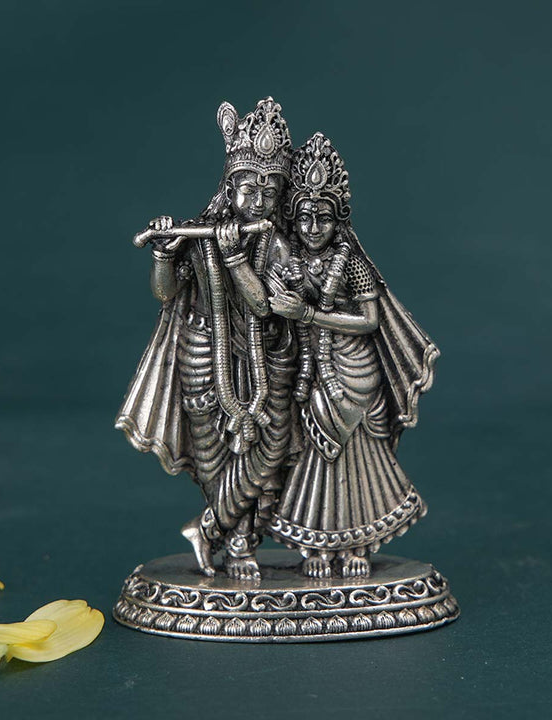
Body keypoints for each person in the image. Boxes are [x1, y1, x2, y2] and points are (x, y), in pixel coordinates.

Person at [116, 98, 296, 580]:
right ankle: (236, 544)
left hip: (267, 354)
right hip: (201, 353)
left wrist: (235, 258)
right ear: (229, 187)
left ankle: (209, 529)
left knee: (271, 449)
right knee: (213, 456)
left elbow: (264, 305)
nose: (258, 203)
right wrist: (163, 253)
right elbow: (165, 293)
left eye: (270, 192)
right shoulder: (200, 234)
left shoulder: (277, 244)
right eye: (248, 189)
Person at [267, 132, 439, 578]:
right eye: (304, 218)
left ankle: (357, 544)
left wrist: (307, 313)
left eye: (323, 218)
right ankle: (317, 543)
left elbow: (369, 320)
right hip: (312, 370)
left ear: (338, 220)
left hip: (355, 369)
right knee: (317, 453)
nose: (313, 228)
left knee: (359, 455)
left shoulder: (353, 264)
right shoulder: (289, 261)